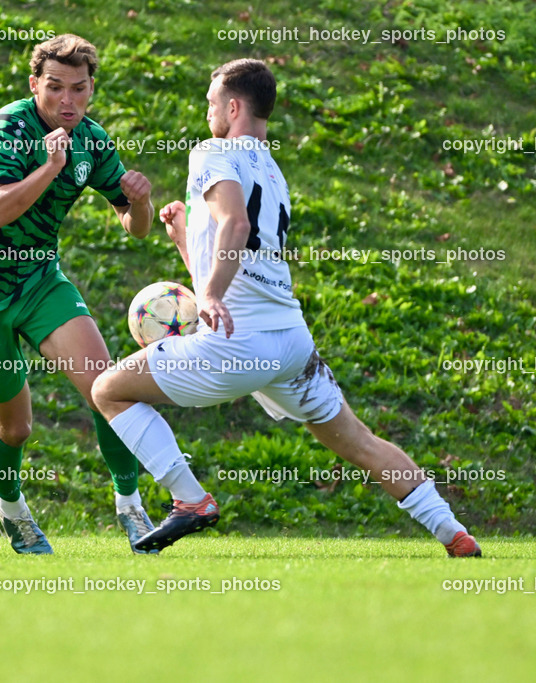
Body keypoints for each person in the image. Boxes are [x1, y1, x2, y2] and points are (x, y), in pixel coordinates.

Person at [91, 58, 481, 557]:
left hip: (238, 344)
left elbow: (235, 228)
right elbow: (237, 260)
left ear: (232, 107)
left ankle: (190, 500)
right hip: (291, 344)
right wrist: (187, 242)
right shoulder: (272, 172)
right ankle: (454, 533)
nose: (207, 113)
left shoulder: (213, 151)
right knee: (360, 442)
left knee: (109, 390)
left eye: (211, 103)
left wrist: (207, 295)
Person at [0, 35, 158, 554]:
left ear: (91, 90)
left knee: (108, 391)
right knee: (15, 429)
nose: (67, 101)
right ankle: (10, 506)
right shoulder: (10, 128)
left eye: (79, 89)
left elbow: (134, 226)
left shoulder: (92, 141)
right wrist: (49, 168)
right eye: (55, 88)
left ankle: (132, 508)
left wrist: (140, 203)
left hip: (38, 281)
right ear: (36, 86)